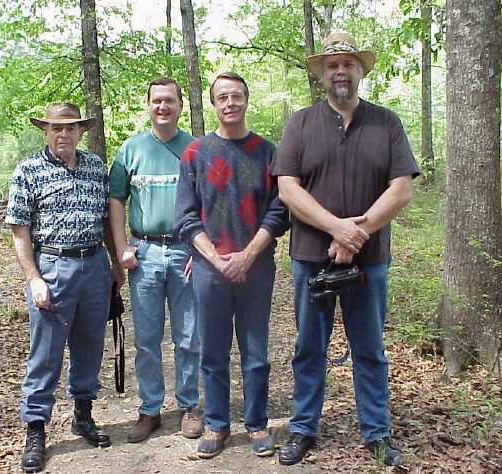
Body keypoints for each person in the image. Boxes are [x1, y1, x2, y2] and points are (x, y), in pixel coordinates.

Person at [272, 32, 420, 467]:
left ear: (360, 71)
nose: (340, 71)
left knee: (370, 348)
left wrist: (360, 232)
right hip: (310, 258)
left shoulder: (386, 122)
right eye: (332, 65)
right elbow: (287, 188)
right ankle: (303, 429)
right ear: (321, 75)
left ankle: (376, 433)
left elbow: (402, 189)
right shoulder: (300, 123)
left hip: (369, 261)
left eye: (348, 64)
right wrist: (337, 228)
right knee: (309, 347)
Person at [174, 72, 288, 459]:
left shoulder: (267, 152)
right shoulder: (195, 153)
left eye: (236, 95)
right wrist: (216, 259)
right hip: (210, 268)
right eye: (222, 97)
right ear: (213, 104)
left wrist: (247, 256)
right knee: (212, 350)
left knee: (256, 350)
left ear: (246, 99)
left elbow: (279, 210)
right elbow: (186, 217)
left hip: (256, 265)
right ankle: (217, 424)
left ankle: (256, 423)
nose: (230, 103)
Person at [5, 103, 123, 473]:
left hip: (94, 268)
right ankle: (36, 430)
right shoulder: (28, 171)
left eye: (71, 128)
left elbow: (107, 220)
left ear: (80, 132)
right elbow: (19, 232)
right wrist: (33, 278)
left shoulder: (94, 167)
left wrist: (116, 266)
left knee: (89, 348)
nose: (63, 134)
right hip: (53, 267)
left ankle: (83, 415)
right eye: (56, 128)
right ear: (46, 131)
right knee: (46, 354)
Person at [108, 77, 202, 443]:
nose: (163, 107)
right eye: (156, 101)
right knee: (146, 338)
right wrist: (121, 247)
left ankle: (188, 406)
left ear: (180, 106)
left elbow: (208, 201)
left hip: (185, 251)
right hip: (143, 252)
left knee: (188, 336)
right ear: (147, 105)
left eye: (169, 101)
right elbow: (116, 200)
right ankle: (149, 409)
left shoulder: (195, 148)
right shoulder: (131, 149)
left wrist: (200, 248)